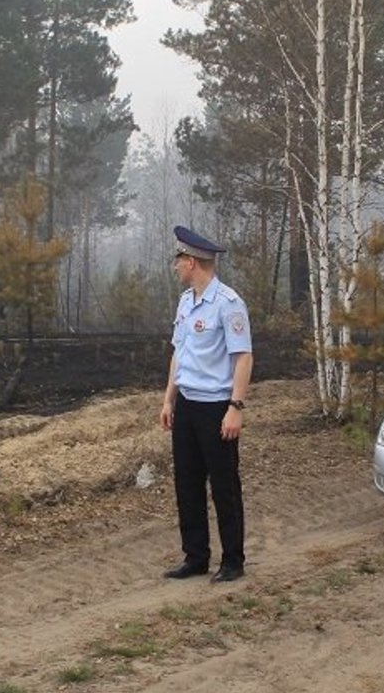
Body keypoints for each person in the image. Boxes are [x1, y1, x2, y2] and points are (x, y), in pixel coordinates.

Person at [160, 225, 254, 584]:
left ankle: (233, 559)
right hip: (187, 404)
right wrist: (169, 398)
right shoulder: (186, 302)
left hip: (216, 407)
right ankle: (195, 556)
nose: (175, 266)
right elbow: (178, 353)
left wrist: (236, 407)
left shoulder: (229, 303)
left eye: (178, 260)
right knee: (187, 483)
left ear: (193, 262)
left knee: (224, 486)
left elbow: (243, 357)